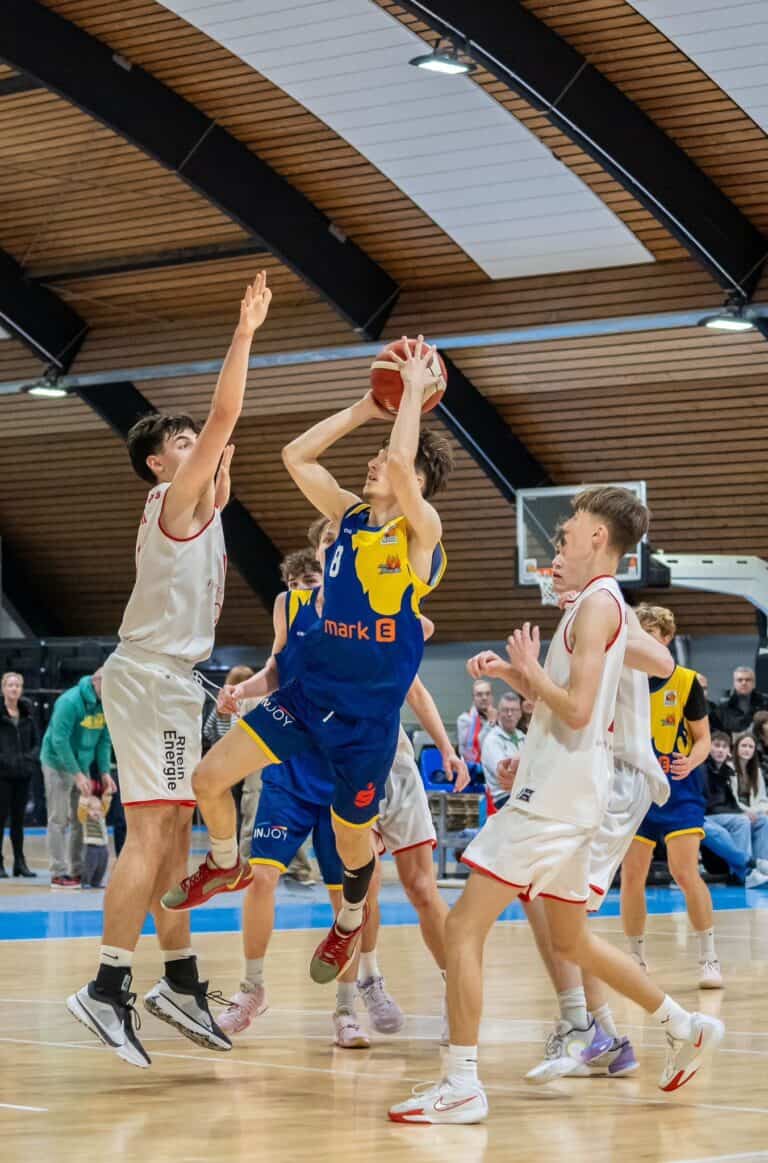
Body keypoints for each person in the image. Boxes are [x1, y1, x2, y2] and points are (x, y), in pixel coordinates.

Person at [389, 486, 723, 1125]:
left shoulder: (599, 605)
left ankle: (460, 1082)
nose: (558, 546)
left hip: (556, 795)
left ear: (599, 538)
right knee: (570, 938)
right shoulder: (598, 608)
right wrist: (520, 675)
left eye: (567, 534)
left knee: (462, 928)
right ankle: (683, 1025)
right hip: (572, 790)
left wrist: (530, 674)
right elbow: (573, 702)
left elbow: (574, 707)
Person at [162, 336, 452, 997]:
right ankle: (227, 861)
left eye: (386, 457)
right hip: (307, 696)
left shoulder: (421, 537)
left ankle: (349, 918)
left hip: (363, 725)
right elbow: (297, 455)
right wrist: (364, 407)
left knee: (356, 849)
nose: (377, 463)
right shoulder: (348, 519)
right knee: (209, 779)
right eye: (375, 457)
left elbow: (406, 472)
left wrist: (410, 392)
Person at [66, 272, 273, 1069]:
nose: (201, 450)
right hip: (150, 676)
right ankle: (106, 986)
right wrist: (246, 328)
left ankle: (180, 981)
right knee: (151, 830)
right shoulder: (174, 504)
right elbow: (226, 417)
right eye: (180, 445)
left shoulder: (206, 511)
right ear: (157, 466)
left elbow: (225, 450)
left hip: (174, 680)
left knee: (176, 830)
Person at [522, 597, 674, 1085]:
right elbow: (556, 707)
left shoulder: (607, 608)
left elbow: (662, 661)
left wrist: (620, 638)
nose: (555, 562)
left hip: (617, 773)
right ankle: (604, 1032)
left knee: (559, 905)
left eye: (564, 548)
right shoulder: (577, 615)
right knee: (541, 895)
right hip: (588, 771)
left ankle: (589, 1025)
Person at [620, 604, 720, 989]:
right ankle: (635, 958)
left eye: (652, 635)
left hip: (679, 788)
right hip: (635, 787)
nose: (645, 642)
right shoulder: (622, 679)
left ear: (666, 639)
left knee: (684, 871)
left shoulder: (686, 680)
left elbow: (704, 740)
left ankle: (708, 958)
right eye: (639, 635)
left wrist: (690, 762)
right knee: (632, 876)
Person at [40, 668, 114, 888]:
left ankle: (77, 871)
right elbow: (59, 741)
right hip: (57, 763)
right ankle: (58, 873)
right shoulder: (69, 702)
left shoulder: (106, 703)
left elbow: (104, 740)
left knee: (82, 819)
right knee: (59, 819)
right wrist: (77, 773)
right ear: (96, 681)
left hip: (81, 765)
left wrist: (104, 772)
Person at [702, 732, 768, 888]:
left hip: (728, 813)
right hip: (708, 815)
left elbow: (755, 799)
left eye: (724, 747)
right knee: (741, 821)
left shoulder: (726, 770)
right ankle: (743, 873)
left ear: (728, 750)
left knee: (764, 821)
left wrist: (756, 811)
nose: (720, 750)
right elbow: (711, 804)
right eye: (717, 746)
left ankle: (763, 868)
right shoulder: (704, 769)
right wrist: (743, 813)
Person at [0, 672, 40, 878]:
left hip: (23, 775)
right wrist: (6, 760)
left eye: (17, 685)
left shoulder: (28, 715)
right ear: (3, 689)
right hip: (3, 775)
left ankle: (20, 862)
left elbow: (36, 743)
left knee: (18, 821)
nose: (14, 688)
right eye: (10, 685)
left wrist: (28, 760)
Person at [480, 692, 525, 809]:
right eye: (505, 710)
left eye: (514, 710)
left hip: (523, 793)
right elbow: (505, 774)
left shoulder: (523, 737)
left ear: (520, 713)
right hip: (504, 798)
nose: (510, 714)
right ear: (498, 713)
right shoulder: (492, 739)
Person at [78, 777, 113, 890]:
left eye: (98, 809)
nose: (96, 812)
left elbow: (105, 805)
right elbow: (82, 809)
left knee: (102, 865)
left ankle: (96, 881)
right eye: (93, 809)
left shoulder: (101, 816)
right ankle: (86, 881)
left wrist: (107, 794)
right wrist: (84, 798)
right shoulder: (84, 818)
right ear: (87, 810)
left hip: (103, 845)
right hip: (91, 846)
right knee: (90, 865)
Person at [457, 679, 497, 772]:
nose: (484, 698)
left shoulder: (501, 718)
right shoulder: (465, 719)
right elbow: (478, 746)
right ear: (473, 698)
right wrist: (490, 723)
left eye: (488, 694)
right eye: (479, 694)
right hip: (473, 771)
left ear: (492, 697)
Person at [717, 667, 768, 734]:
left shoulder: (765, 703)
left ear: (754, 684)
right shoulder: (723, 707)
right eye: (740, 680)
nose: (744, 683)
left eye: (748, 680)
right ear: (734, 683)